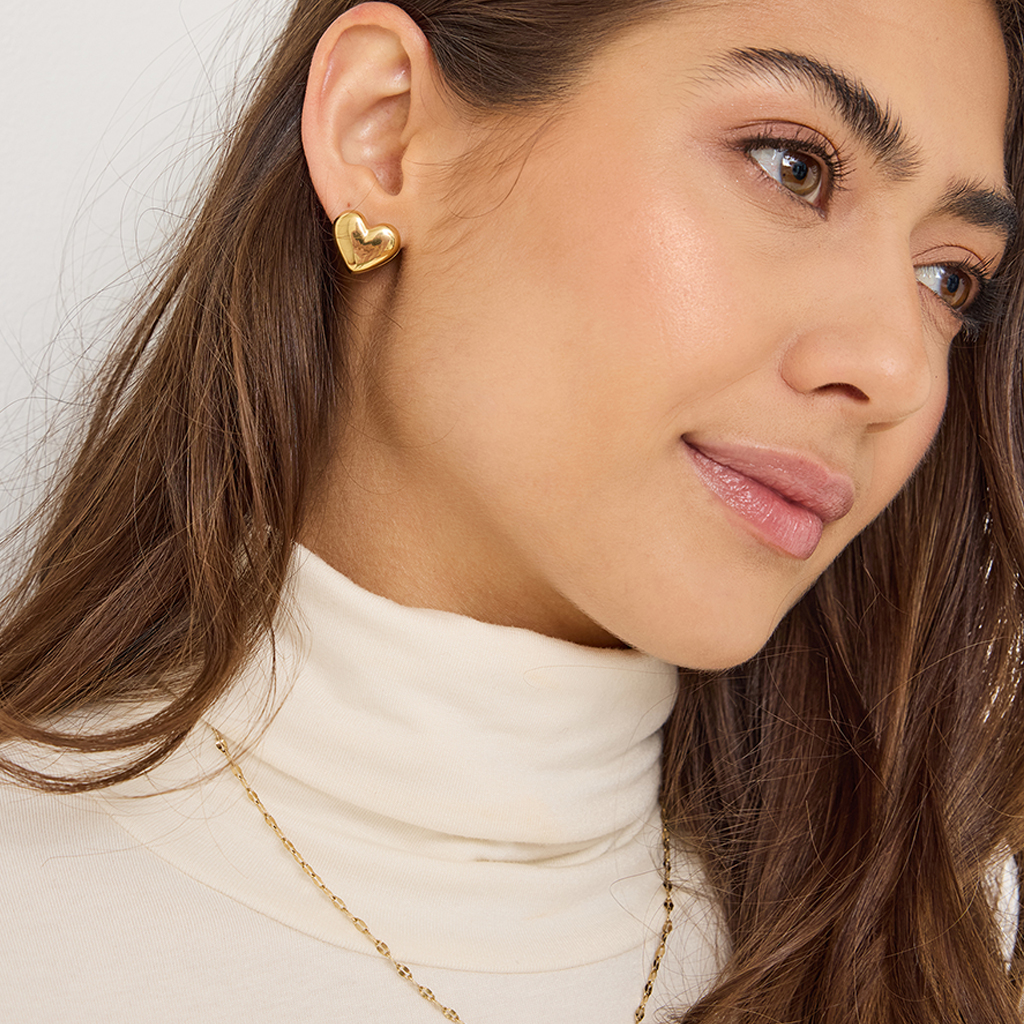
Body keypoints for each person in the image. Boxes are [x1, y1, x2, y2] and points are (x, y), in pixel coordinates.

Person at [2, 0, 1024, 1020]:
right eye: (789, 166)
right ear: (386, 133)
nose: (895, 368)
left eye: (948, 279)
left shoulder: (940, 964)